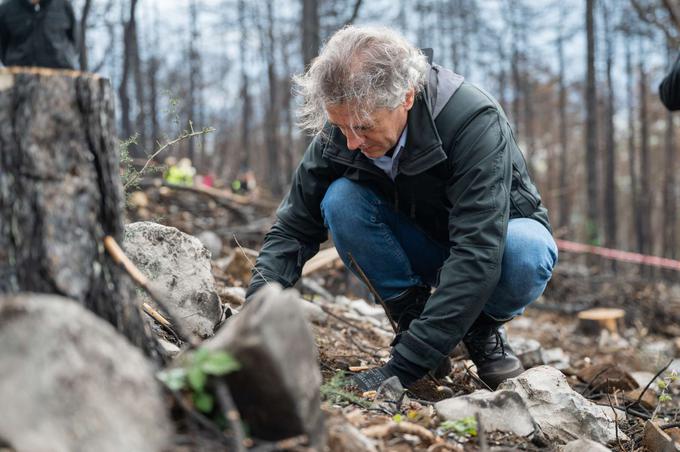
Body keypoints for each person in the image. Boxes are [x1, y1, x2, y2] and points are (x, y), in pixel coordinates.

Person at [246, 26, 558, 391]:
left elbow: (478, 250)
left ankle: (479, 328)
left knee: (528, 251)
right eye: (340, 126)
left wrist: (401, 369)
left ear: (406, 97)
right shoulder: (345, 125)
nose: (351, 142)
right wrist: (253, 316)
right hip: (416, 242)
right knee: (341, 199)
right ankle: (413, 318)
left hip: (491, 248)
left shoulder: (472, 121)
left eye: (363, 127)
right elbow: (294, 228)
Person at [0, 0, 77, 70]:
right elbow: (2, 45)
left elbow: (74, 39)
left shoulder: (63, 5)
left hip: (62, 75)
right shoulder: (6, 9)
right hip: (18, 74)